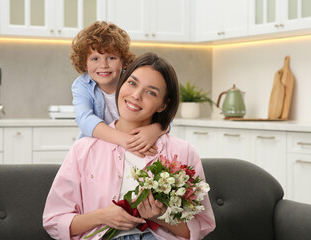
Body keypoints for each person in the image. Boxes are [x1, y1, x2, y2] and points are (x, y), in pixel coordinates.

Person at [43, 52, 216, 240]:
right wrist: (102, 216)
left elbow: (200, 227)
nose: (135, 96)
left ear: (163, 105)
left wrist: (160, 216)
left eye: (151, 92)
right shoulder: (83, 150)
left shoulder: (182, 152)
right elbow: (54, 221)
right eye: (132, 83)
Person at [70, 21, 166, 156]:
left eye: (111, 58)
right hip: (98, 151)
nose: (103, 65)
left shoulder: (133, 80)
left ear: (123, 60)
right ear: (84, 64)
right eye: (95, 59)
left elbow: (165, 113)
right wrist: (124, 140)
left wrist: (156, 129)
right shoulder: (82, 85)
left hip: (134, 147)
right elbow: (84, 119)